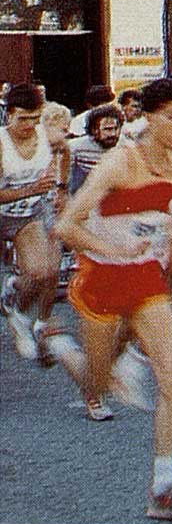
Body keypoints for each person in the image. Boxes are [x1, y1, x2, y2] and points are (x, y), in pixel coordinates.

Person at [50, 76, 172, 522]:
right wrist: (114, 250)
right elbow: (66, 226)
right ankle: (61, 348)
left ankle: (162, 491)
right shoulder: (119, 164)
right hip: (100, 283)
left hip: (144, 281)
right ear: (148, 117)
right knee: (96, 387)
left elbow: (170, 211)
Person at [0, 84, 64, 364]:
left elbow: (64, 149)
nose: (29, 125)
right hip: (3, 212)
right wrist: (34, 188)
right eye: (22, 119)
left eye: (34, 118)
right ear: (8, 116)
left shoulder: (46, 136)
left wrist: (61, 187)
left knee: (43, 273)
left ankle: (19, 311)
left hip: (27, 215)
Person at [68, 105, 124, 195]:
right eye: (107, 129)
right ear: (94, 130)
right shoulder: (76, 147)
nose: (113, 134)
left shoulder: (125, 146)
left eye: (116, 128)